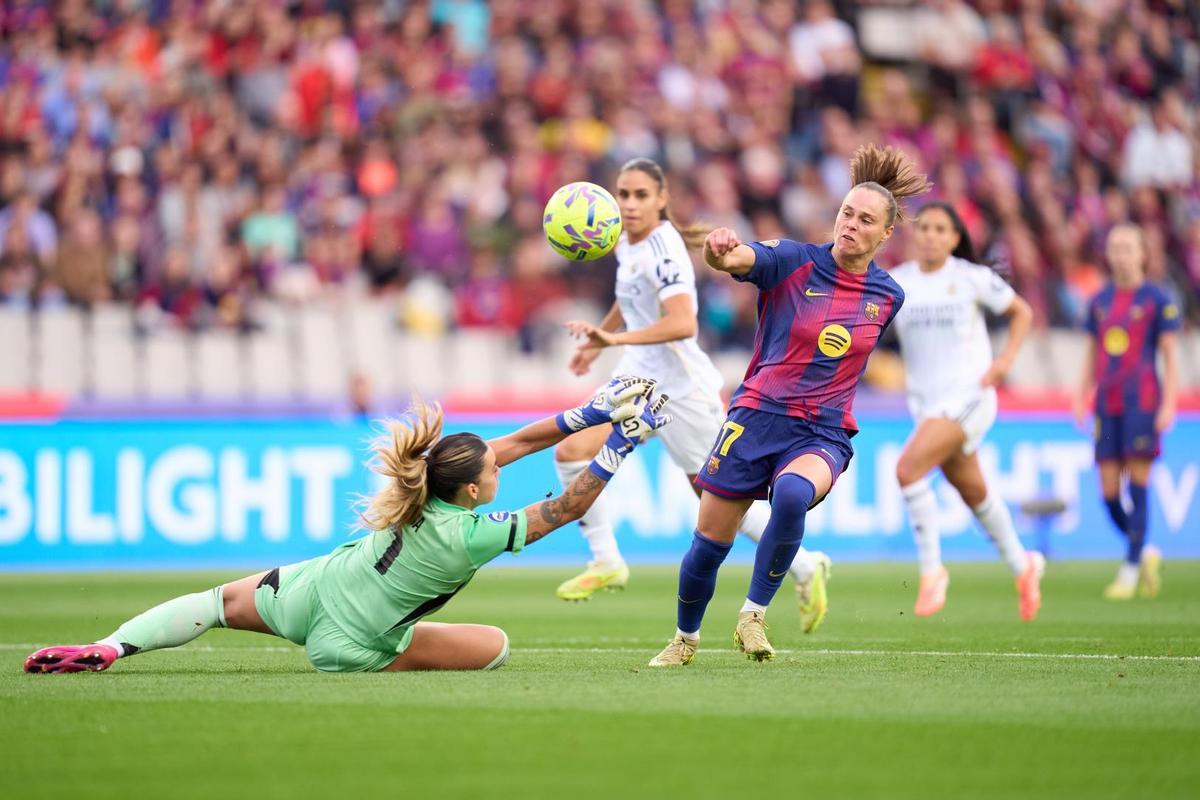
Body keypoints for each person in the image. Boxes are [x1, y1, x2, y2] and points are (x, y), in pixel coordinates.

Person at [25, 378, 670, 674]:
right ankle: (393, 650)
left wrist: (590, 411)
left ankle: (109, 647)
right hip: (352, 646)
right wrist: (621, 443)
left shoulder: (415, 485)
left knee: (216, 604)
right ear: (472, 490)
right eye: (490, 472)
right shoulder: (468, 532)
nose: (500, 469)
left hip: (311, 591)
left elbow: (523, 442)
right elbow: (566, 508)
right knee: (495, 646)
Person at [648, 144, 927, 667]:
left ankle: (752, 616)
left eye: (866, 220)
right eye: (846, 212)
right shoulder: (795, 261)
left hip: (821, 431)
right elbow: (734, 258)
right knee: (710, 543)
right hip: (755, 418)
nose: (851, 224)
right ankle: (685, 638)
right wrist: (719, 248)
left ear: (886, 234)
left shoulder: (889, 295)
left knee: (794, 494)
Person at [557, 157, 833, 634]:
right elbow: (629, 294)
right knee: (570, 451)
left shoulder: (665, 251)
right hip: (637, 375)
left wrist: (614, 341)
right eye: (623, 194)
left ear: (662, 199)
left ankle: (806, 566)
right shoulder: (623, 239)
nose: (629, 204)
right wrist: (598, 339)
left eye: (641, 195)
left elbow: (683, 322)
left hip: (681, 389)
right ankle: (606, 560)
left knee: (714, 499)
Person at [889, 202, 1044, 620]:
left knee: (907, 470)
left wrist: (1005, 361)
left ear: (956, 238)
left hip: (970, 395)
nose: (931, 235)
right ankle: (1023, 564)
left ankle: (932, 570)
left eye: (941, 229)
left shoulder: (971, 278)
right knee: (974, 492)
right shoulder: (897, 283)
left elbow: (1021, 313)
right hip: (926, 403)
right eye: (924, 228)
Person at [1073, 224, 1180, 600]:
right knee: (1108, 494)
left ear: (1142, 254)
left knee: (1138, 484)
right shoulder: (1099, 300)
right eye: (1115, 247)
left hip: (1143, 402)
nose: (1120, 254)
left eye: (1127, 248)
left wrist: (1169, 404)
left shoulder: (1157, 298)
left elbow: (1169, 354)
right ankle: (1145, 552)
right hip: (1107, 404)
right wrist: (1080, 395)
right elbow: (1091, 353)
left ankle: (1130, 570)